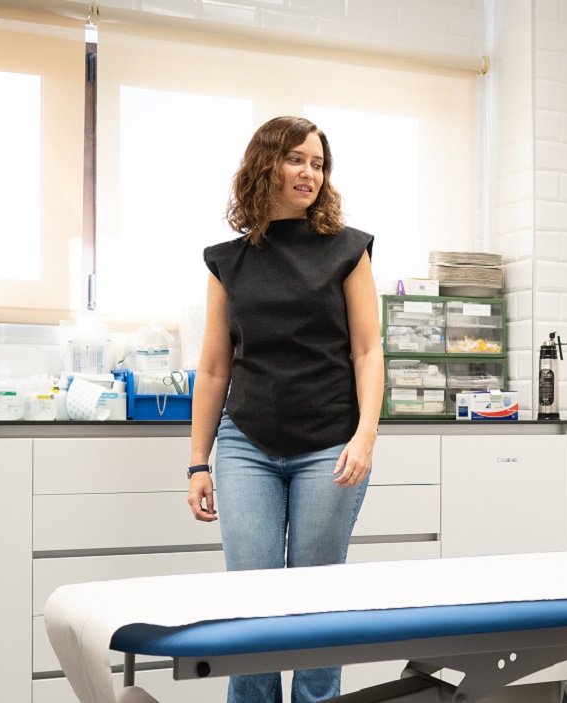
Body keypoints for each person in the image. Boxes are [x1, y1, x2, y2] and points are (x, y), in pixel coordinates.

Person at [186, 116, 383, 703]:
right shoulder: (228, 261)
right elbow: (215, 366)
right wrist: (199, 461)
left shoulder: (347, 250)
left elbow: (369, 350)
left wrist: (365, 435)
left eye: (318, 163)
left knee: (316, 605)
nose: (309, 172)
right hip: (247, 442)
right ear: (265, 165)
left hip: (329, 442)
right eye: (296, 159)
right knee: (250, 605)